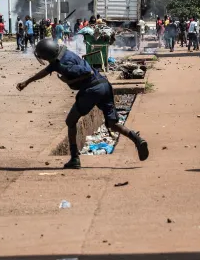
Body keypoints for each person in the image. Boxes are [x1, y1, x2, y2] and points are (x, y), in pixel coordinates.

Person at [16, 39, 149, 169]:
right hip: (104, 85)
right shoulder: (66, 53)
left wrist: (67, 80)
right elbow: (45, 71)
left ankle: (74, 158)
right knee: (112, 124)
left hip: (92, 90)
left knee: (70, 121)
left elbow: (85, 72)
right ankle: (137, 139)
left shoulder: (59, 64)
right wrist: (27, 81)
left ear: (46, 55)